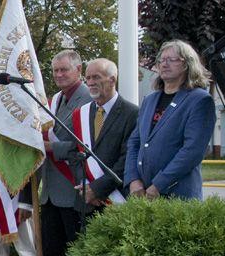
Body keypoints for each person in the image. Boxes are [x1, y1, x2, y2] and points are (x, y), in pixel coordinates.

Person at [125, 40, 216, 200]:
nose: (164, 64)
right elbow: (135, 142)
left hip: (177, 196)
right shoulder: (149, 100)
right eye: (161, 60)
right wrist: (133, 179)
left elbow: (192, 151)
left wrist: (159, 184)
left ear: (187, 64)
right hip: (143, 193)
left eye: (172, 59)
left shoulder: (199, 100)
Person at [40, 49, 91, 256]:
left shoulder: (87, 99)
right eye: (56, 71)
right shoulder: (55, 100)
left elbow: (84, 143)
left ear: (78, 70)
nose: (59, 75)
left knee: (74, 248)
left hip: (74, 188)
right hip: (50, 190)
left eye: (64, 70)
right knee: (52, 249)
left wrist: (50, 147)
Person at [72, 58, 139, 214]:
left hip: (116, 201)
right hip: (86, 202)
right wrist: (86, 187)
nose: (90, 82)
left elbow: (127, 158)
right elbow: (74, 154)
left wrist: (97, 189)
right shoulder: (81, 114)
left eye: (96, 77)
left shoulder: (132, 113)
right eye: (88, 78)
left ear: (112, 80)